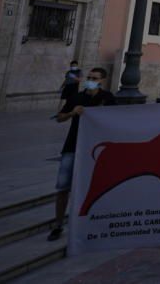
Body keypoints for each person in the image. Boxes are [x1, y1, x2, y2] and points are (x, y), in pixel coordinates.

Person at [48, 67, 115, 241]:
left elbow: (117, 119)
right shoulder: (77, 97)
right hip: (71, 147)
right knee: (63, 187)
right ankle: (58, 225)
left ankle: (91, 222)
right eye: (89, 77)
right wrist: (72, 113)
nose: (90, 79)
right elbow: (59, 117)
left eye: (94, 78)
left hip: (94, 150)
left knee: (94, 188)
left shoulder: (108, 98)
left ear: (102, 81)